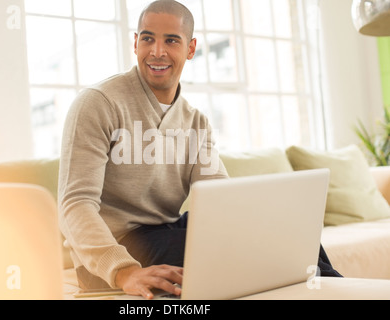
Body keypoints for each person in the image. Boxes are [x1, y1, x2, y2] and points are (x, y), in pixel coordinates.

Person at [58, 0, 341, 301]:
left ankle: (342, 290)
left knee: (289, 234)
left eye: (171, 40)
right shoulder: (98, 103)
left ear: (190, 49)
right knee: (245, 251)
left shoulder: (196, 122)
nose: (157, 52)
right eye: (147, 38)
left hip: (163, 231)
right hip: (115, 248)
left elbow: (222, 199)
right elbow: (74, 204)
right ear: (135, 43)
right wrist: (124, 270)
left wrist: (261, 222)